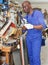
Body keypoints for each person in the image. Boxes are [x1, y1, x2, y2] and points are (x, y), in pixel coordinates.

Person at [22, 1, 46, 65]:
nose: (24, 8)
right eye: (23, 7)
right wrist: (24, 28)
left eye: (25, 6)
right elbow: (23, 30)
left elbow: (43, 26)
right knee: (30, 57)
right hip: (29, 38)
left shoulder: (37, 13)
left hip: (36, 38)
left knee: (35, 57)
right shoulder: (26, 17)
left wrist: (32, 26)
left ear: (30, 5)